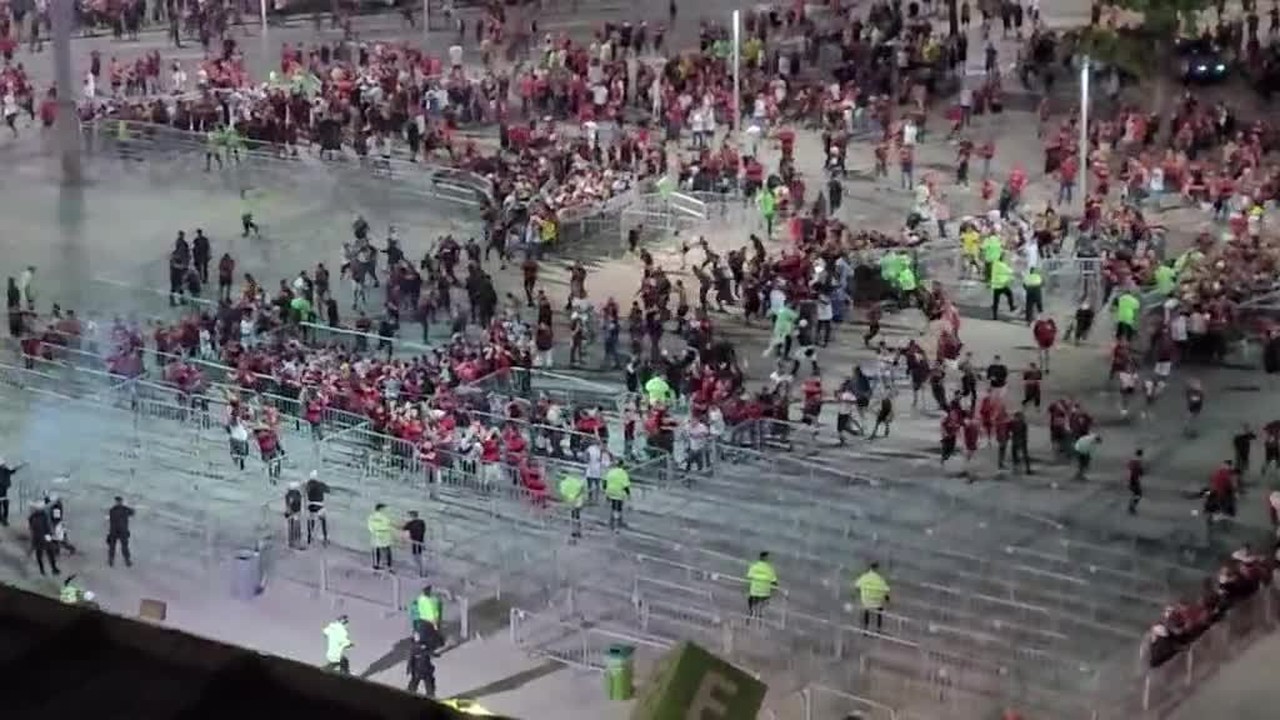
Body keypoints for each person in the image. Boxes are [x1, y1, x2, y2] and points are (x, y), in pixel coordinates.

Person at [853, 562, 891, 631]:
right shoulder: (880, 579)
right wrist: (887, 598)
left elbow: (856, 585)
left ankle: (866, 627)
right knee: (880, 610)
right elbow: (886, 589)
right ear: (877, 569)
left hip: (866, 601)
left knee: (866, 610)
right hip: (877, 602)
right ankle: (878, 628)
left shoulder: (865, 576)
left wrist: (861, 592)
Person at [28, 500, 58, 576]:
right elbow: (46, 527)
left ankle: (45, 570)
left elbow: (33, 529)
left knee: (43, 554)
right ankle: (51, 569)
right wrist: (51, 535)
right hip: (42, 537)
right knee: (48, 553)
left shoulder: (34, 517)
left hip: (40, 538)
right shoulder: (42, 516)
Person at [746, 551, 779, 616]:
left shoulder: (754, 566)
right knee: (766, 599)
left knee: (750, 598)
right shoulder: (770, 568)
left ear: (759, 558)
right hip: (765, 593)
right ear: (766, 558)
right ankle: (761, 612)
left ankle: (751, 610)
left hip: (754, 592)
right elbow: (774, 581)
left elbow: (749, 576)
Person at [603, 460, 631, 532]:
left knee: (613, 508)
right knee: (617, 510)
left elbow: (605, 481)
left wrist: (605, 491)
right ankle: (616, 527)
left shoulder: (611, 471)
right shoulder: (623, 473)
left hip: (610, 491)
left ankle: (611, 522)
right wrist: (629, 494)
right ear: (622, 465)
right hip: (618, 493)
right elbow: (625, 486)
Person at [106, 495, 134, 567]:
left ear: (121, 502)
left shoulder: (124, 509)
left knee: (124, 547)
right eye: (117, 501)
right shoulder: (112, 510)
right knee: (112, 547)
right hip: (115, 531)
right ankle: (111, 560)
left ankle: (127, 560)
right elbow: (111, 522)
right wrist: (109, 533)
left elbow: (132, 512)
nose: (118, 502)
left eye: (119, 501)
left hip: (122, 531)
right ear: (116, 502)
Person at [559, 470, 586, 540]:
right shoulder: (575, 480)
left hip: (571, 501)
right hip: (578, 500)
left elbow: (563, 494)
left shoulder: (563, 483)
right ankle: (577, 530)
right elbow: (582, 488)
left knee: (573, 515)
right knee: (577, 515)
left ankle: (575, 530)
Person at [305, 470, 330, 546]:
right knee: (323, 520)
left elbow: (304, 491)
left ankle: (309, 536)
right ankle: (325, 537)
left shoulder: (308, 484)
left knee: (310, 520)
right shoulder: (321, 484)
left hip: (311, 506)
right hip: (320, 506)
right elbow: (328, 490)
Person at [367, 503, 394, 570]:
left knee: (376, 550)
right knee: (387, 550)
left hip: (376, 534)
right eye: (384, 509)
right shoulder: (384, 517)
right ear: (381, 509)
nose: (386, 510)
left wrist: (374, 531)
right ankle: (389, 566)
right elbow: (388, 525)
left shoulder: (371, 516)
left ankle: (376, 564)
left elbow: (370, 527)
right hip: (385, 535)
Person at [403, 510, 427, 577]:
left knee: (416, 557)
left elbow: (403, 528)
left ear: (412, 516)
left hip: (415, 542)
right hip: (421, 542)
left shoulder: (410, 523)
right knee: (421, 556)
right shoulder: (422, 522)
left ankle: (421, 572)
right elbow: (423, 530)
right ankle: (422, 571)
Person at [0, 456, 22, 526]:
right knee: (4, 504)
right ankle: (3, 520)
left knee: (5, 504)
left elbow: (12, 470)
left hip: (4, 489)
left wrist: (20, 466)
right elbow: (12, 470)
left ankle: (4, 519)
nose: (4, 465)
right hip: (2, 489)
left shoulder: (5, 470)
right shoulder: (4, 470)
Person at [284, 481, 303, 548]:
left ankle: (291, 542)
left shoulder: (288, 495)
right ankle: (295, 543)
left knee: (291, 527)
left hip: (292, 513)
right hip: (295, 513)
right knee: (296, 527)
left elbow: (288, 505)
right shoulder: (297, 494)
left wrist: (288, 511)